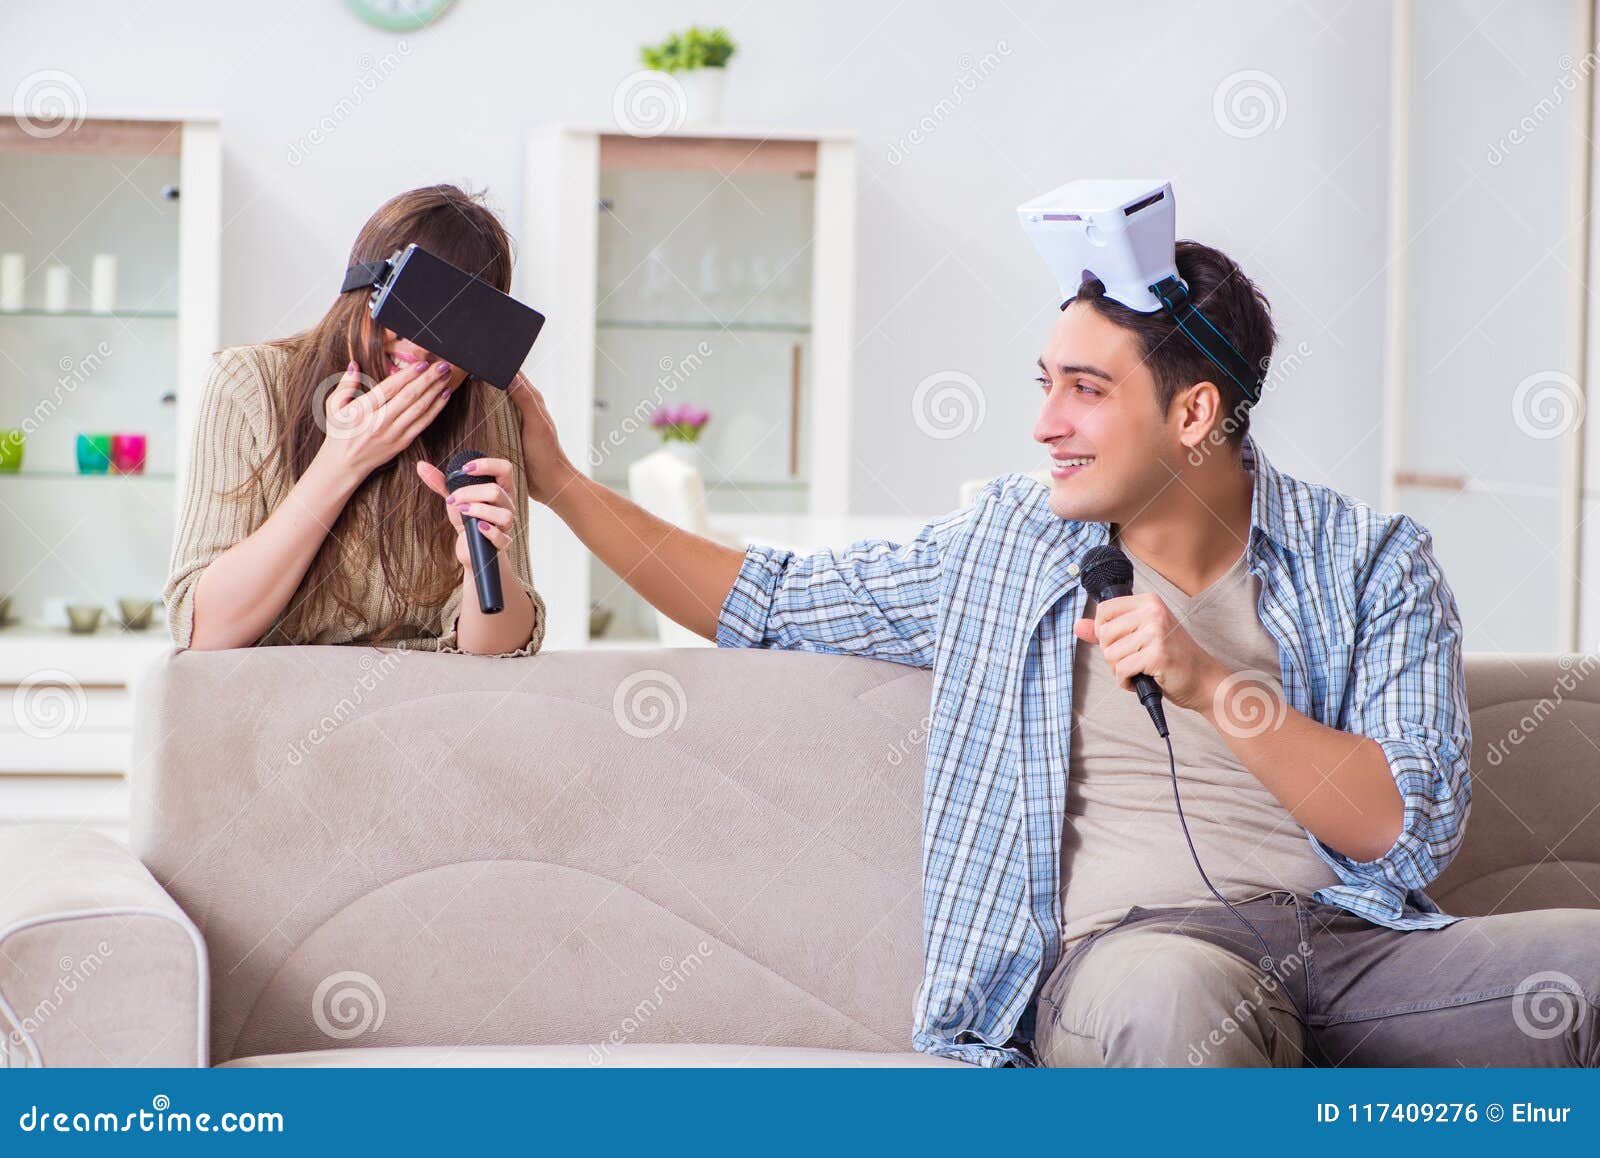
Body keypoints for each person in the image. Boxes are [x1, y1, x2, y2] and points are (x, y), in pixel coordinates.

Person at [499, 238, 1598, 1067]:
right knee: (1182, 1010)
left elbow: (1403, 828)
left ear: (1194, 413)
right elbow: (764, 600)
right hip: (1136, 959)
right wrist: (559, 484)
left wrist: (1212, 684)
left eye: (1086, 390)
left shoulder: (1370, 561)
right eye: (1047, 384)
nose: (1045, 424)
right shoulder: (1005, 549)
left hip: (1355, 948)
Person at [165, 184, 544, 657]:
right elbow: (205, 631)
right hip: (268, 695)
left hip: (426, 698)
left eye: (452, 325)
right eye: (408, 308)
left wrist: (482, 566)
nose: (419, 347)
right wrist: (342, 461)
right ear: (364, 290)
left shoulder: (486, 406)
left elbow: (500, 653)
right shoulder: (249, 382)